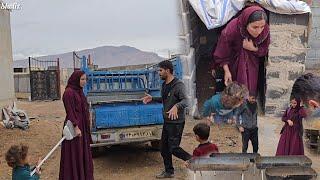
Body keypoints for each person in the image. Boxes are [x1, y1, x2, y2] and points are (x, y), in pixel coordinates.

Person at [142, 60, 191, 179]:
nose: (159, 73)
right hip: (167, 121)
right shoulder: (165, 85)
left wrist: (176, 106)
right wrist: (152, 98)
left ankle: (193, 160)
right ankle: (169, 171)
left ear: (167, 71)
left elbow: (186, 101)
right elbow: (165, 99)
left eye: (160, 70)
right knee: (163, 148)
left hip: (177, 122)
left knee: (173, 148)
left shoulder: (178, 85)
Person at [213, 5, 270, 97]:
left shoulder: (265, 30)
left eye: (262, 26)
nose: (259, 31)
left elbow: (264, 49)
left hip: (253, 61)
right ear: (246, 23)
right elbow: (222, 52)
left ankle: (248, 100)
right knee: (235, 87)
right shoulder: (231, 29)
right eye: (254, 27)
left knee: (251, 83)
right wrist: (226, 71)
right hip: (234, 61)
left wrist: (253, 48)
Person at [59, 71, 94, 180]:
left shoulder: (79, 91)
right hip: (73, 128)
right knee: (74, 154)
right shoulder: (68, 93)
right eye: (82, 79)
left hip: (81, 126)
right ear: (76, 79)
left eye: (85, 79)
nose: (84, 82)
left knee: (82, 153)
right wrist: (76, 127)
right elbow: (70, 112)